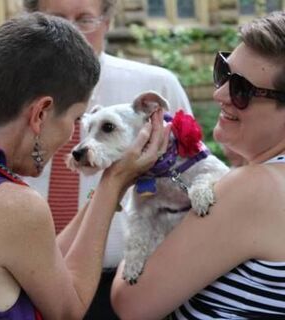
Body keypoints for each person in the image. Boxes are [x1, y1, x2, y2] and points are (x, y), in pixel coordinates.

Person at [0, 12, 167, 320]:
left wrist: (111, 182)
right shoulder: (12, 205)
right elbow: (68, 310)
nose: (72, 137)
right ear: (42, 113)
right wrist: (113, 185)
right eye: (74, 120)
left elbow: (42, 260)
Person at [22, 1, 192, 318]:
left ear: (108, 22)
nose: (71, 32)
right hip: (32, 284)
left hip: (130, 283)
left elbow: (188, 178)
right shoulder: (11, 96)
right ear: (31, 23)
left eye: (85, 19)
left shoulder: (156, 88)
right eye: (56, 20)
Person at [112, 11, 285, 320]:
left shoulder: (256, 187)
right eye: (223, 72)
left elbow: (131, 303)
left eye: (241, 90)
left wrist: (141, 190)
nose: (219, 93)